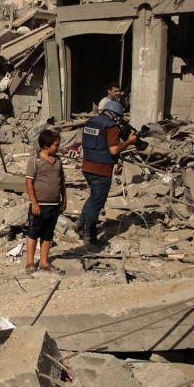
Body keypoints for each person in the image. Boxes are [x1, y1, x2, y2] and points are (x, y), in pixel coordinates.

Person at [76, 102, 138, 246]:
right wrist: (129, 141)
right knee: (97, 204)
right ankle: (89, 236)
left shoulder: (91, 122)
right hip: (101, 170)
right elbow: (114, 150)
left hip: (87, 167)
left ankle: (80, 222)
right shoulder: (111, 127)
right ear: (115, 115)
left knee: (94, 197)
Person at [24, 129, 67, 273]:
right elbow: (29, 183)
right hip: (40, 205)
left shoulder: (58, 161)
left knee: (48, 233)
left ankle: (44, 262)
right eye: (56, 145)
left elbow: (62, 181)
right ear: (46, 145)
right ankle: (30, 263)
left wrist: (64, 198)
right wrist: (34, 203)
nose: (58, 147)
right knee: (34, 232)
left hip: (54, 205)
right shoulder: (35, 161)